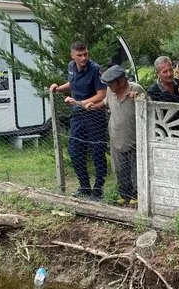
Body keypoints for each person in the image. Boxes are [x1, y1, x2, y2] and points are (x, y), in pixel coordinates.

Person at [49, 42, 108, 200]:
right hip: (77, 116)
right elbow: (73, 82)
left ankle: (98, 189)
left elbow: (102, 94)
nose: (83, 58)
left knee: (97, 153)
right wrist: (60, 88)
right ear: (72, 56)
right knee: (75, 151)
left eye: (86, 54)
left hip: (95, 115)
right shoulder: (71, 67)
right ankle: (84, 186)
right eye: (80, 55)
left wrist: (81, 103)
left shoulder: (95, 69)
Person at [88, 65, 145, 205]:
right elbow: (106, 102)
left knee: (136, 170)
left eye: (110, 83)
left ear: (121, 81)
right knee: (120, 169)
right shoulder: (110, 91)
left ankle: (137, 197)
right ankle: (123, 195)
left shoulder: (135, 89)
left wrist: (138, 99)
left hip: (134, 138)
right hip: (116, 137)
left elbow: (148, 107)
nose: (108, 86)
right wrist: (95, 106)